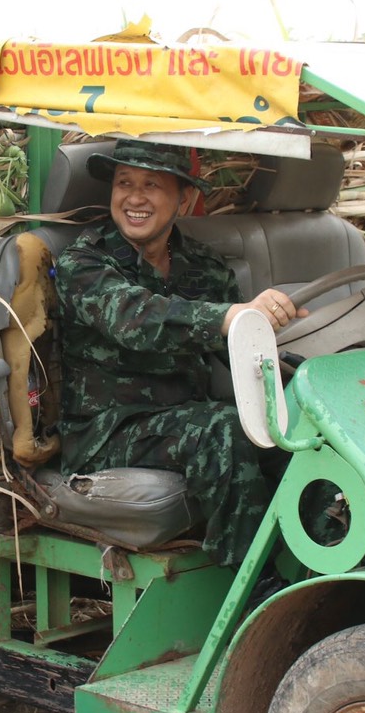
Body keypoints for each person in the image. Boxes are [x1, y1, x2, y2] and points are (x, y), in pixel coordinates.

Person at [55, 139, 303, 567]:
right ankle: (253, 582)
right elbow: (134, 318)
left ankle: (326, 558)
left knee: (302, 419)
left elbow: (240, 352)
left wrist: (303, 383)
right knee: (224, 428)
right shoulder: (84, 263)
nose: (134, 197)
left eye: (151, 185)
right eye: (124, 183)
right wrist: (229, 316)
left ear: (184, 199)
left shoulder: (203, 267)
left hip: (182, 419)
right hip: (107, 432)